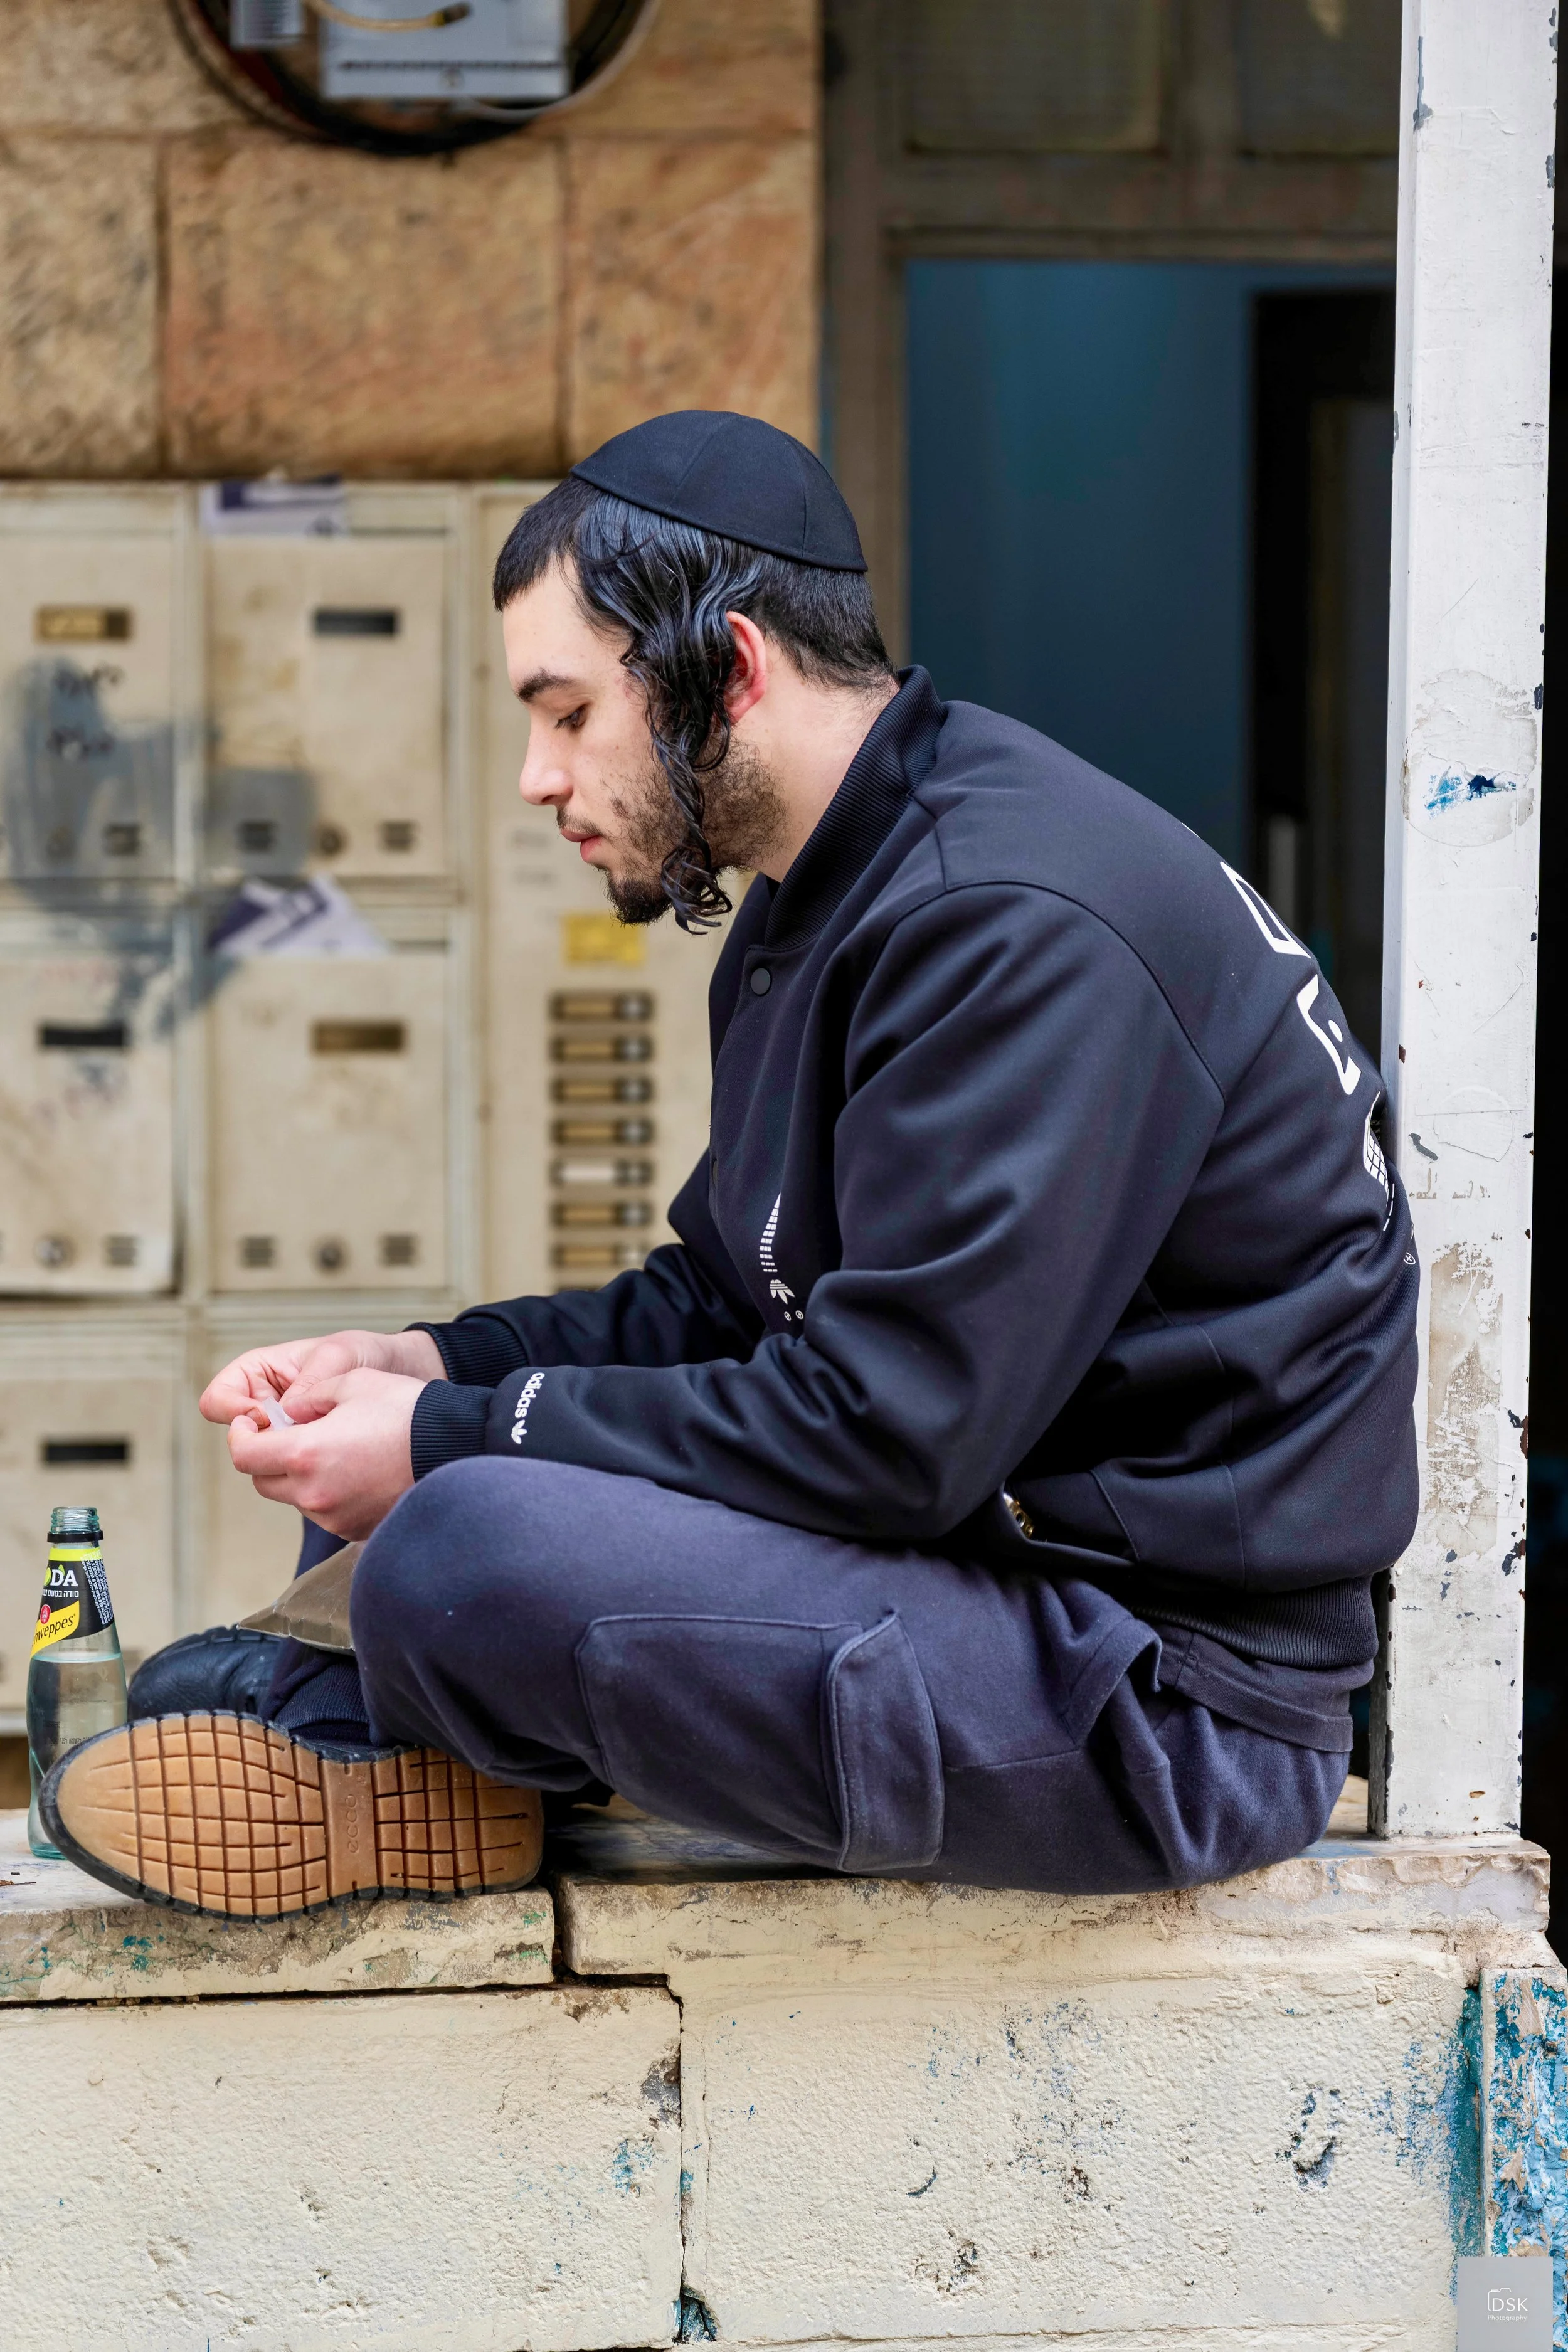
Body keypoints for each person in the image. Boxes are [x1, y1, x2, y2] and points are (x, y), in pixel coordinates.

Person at [43, 409, 1418, 1919]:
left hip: (1157, 1700)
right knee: (405, 1487)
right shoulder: (825, 898)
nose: (533, 777)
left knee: (462, 1541)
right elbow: (723, 1300)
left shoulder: (1012, 923)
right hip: (989, 1590)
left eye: (567, 713)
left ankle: (381, 1732)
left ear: (730, 669)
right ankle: (383, 1725)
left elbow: (891, 1438)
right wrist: (422, 1358)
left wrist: (447, 1438)